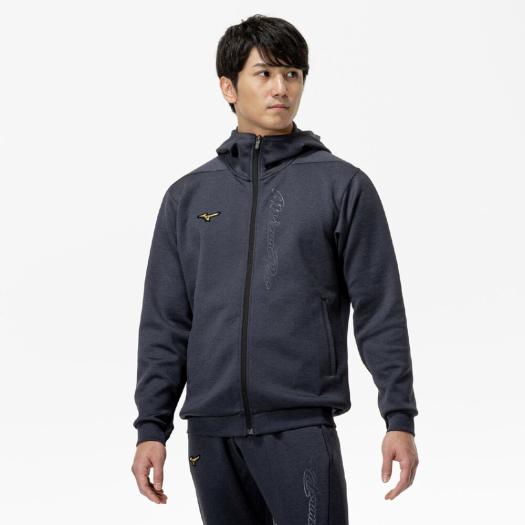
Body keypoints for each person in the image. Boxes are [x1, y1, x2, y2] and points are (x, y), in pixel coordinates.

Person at [131, 14, 419, 524]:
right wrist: (151, 428)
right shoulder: (187, 197)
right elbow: (166, 322)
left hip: (300, 427)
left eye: (292, 74)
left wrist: (399, 417)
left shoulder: (341, 186)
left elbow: (379, 308)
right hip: (211, 433)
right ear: (228, 87)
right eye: (264, 73)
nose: (281, 88)